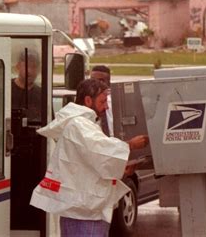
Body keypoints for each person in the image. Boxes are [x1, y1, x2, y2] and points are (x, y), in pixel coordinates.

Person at [30, 78, 149, 237]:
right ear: (87, 100)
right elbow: (100, 150)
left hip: (85, 208)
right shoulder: (79, 125)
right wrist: (130, 145)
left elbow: (92, 163)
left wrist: (122, 170)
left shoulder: (83, 124)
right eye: (102, 101)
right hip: (84, 211)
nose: (106, 107)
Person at [12, 48, 42, 121]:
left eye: (34, 67)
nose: (30, 71)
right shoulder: (5, 90)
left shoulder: (42, 95)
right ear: (18, 66)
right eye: (27, 66)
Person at [90, 65, 113, 136]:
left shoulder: (115, 102)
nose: (96, 83)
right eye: (93, 80)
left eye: (101, 80)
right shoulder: (85, 104)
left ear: (108, 83)